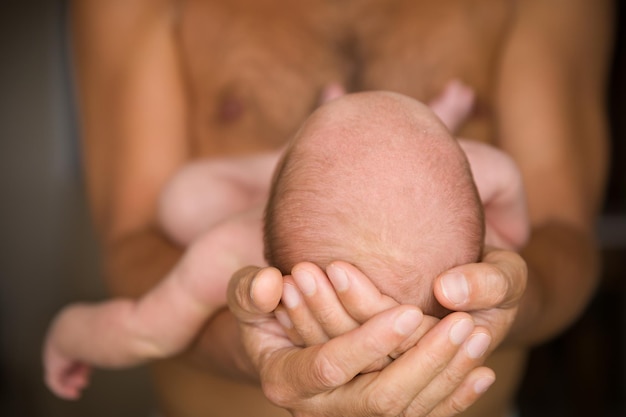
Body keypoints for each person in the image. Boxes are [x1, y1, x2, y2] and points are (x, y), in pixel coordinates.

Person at [68, 1, 614, 416]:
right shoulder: (483, 169)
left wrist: (507, 298)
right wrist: (250, 346)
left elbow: (561, 233)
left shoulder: (223, 251)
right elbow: (132, 243)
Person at [43, 89, 528, 401]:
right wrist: (501, 242)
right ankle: (417, 125)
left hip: (258, 201)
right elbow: (507, 184)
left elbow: (143, 330)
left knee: (183, 202)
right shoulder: (483, 177)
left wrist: (68, 333)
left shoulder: (227, 251)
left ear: (271, 193)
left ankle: (373, 131)